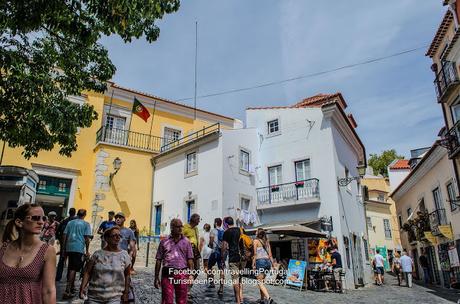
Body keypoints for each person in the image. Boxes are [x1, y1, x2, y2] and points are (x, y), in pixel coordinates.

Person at [0, 203, 56, 303]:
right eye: (35, 218)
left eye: (43, 218)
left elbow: (48, 291)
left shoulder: (47, 251)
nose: (41, 222)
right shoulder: (3, 248)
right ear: (19, 222)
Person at [80, 226, 131, 303]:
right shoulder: (97, 254)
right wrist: (82, 288)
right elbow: (87, 272)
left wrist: (126, 293)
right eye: (114, 235)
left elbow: (127, 274)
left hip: (114, 297)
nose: (117, 237)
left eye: (119, 235)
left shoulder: (124, 255)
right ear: (107, 238)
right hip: (94, 297)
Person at [154, 219, 194, 304]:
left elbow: (190, 259)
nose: (180, 229)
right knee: (167, 300)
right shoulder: (164, 241)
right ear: (172, 228)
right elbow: (158, 260)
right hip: (167, 274)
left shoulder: (186, 242)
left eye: (181, 226)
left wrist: (191, 274)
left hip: (182, 273)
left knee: (182, 300)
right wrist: (156, 277)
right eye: (178, 227)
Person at [62, 209, 92, 299]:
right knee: (73, 269)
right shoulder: (86, 224)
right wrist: (87, 250)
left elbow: (64, 235)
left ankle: (71, 287)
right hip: (78, 248)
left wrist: (64, 248)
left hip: (69, 247)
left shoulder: (70, 223)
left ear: (77, 214)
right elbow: (87, 238)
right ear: (85, 215)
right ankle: (67, 290)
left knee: (71, 267)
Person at [222, 217, 244, 304]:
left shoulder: (226, 232)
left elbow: (224, 247)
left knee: (235, 280)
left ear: (226, 224)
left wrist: (223, 258)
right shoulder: (240, 230)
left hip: (233, 258)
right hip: (242, 258)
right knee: (240, 279)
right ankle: (241, 298)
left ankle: (238, 301)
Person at [252, 229, 273, 304]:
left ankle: (269, 298)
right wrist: (273, 264)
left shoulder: (256, 241)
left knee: (259, 282)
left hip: (260, 262)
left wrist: (253, 264)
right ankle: (262, 299)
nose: (255, 232)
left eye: (256, 231)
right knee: (262, 282)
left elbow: (255, 254)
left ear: (258, 233)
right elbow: (270, 254)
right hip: (267, 262)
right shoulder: (267, 241)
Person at [55, 207, 76, 281]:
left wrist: (59, 239)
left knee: (62, 259)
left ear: (69, 213)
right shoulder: (76, 222)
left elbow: (57, 232)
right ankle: (69, 278)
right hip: (73, 243)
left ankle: (58, 277)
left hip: (64, 243)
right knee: (71, 262)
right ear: (75, 213)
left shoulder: (64, 220)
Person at [208, 218, 225, 295]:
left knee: (209, 266)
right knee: (221, 270)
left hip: (214, 252)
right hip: (222, 253)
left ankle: (212, 283)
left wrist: (210, 246)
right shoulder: (223, 231)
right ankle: (221, 288)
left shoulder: (213, 230)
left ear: (215, 223)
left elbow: (211, 242)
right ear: (221, 223)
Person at [182, 213, 201, 282]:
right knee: (189, 269)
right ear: (194, 219)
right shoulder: (185, 227)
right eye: (198, 219)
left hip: (196, 251)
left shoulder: (196, 229)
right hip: (188, 252)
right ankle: (186, 288)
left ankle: (188, 285)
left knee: (197, 270)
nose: (199, 221)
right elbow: (180, 238)